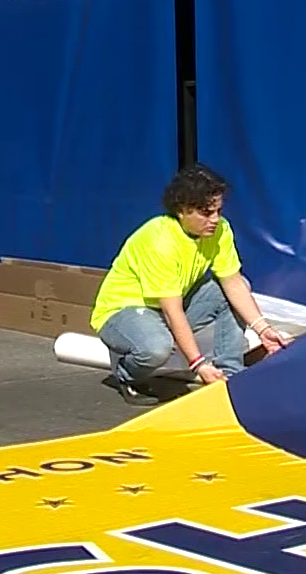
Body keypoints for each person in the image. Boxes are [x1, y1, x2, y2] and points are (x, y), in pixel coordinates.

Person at [91, 164, 291, 405]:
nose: (215, 219)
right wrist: (198, 364)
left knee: (234, 288)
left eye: (218, 210)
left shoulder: (220, 231)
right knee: (156, 349)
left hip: (164, 308)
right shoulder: (160, 242)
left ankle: (229, 375)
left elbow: (234, 284)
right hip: (122, 311)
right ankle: (127, 374)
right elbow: (171, 310)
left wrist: (263, 330)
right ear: (182, 211)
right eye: (206, 213)